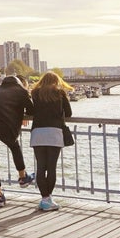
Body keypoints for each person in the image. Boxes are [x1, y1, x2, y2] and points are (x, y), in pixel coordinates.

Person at [0, 74, 35, 207]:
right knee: (14, 147)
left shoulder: (0, 90)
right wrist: (24, 114)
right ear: (23, 84)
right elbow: (32, 110)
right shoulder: (22, 91)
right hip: (2, 123)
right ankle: (23, 177)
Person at [30, 71, 73, 211]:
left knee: (41, 167)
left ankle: (45, 199)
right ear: (56, 81)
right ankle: (48, 199)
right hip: (54, 133)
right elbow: (69, 113)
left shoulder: (35, 93)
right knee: (52, 168)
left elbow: (31, 111)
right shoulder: (60, 93)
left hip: (38, 133)